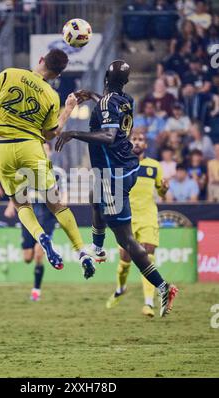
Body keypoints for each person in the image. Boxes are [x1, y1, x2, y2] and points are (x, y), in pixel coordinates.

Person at [56, 59, 178, 317]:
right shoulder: (125, 100)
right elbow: (110, 109)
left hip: (115, 175)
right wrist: (93, 97)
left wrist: (73, 134)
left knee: (126, 240)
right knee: (93, 195)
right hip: (127, 167)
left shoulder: (107, 102)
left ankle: (163, 286)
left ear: (105, 76)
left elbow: (109, 137)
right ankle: (98, 248)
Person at [0, 49, 95, 279]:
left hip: (1, 148)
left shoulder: (8, 74)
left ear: (41, 59)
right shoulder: (52, 96)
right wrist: (69, 109)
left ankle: (40, 237)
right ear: (56, 75)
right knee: (56, 204)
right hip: (30, 147)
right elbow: (50, 134)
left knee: (21, 204)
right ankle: (81, 251)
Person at [105, 130, 169, 317]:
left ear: (146, 145)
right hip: (126, 219)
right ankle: (121, 288)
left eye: (141, 140)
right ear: (128, 142)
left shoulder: (155, 166)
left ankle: (148, 303)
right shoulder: (120, 163)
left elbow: (162, 192)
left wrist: (164, 189)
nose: (138, 142)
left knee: (147, 258)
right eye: (134, 139)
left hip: (148, 217)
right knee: (125, 260)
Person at [4, 142, 66, 302]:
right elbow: (18, 191)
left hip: (47, 213)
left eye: (45, 150)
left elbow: (63, 195)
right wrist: (11, 205)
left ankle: (36, 290)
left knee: (39, 254)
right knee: (27, 257)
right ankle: (31, 246)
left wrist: (61, 211)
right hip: (30, 211)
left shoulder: (58, 172)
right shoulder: (26, 171)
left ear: (50, 153)